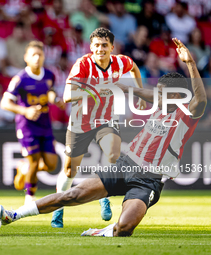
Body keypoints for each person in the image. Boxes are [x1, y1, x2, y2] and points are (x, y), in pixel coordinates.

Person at [0, 38, 207, 237]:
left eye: (163, 95)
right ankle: (15, 215)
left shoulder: (186, 113)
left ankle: (104, 231)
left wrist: (190, 64)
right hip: (126, 165)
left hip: (148, 181)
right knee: (72, 195)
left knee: (124, 228)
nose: (158, 98)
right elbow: (149, 95)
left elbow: (201, 100)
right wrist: (126, 88)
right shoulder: (160, 101)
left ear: (177, 96)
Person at [51, 27, 146, 228]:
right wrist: (94, 91)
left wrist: (140, 91)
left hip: (106, 119)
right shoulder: (83, 64)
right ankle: (58, 207)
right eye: (96, 45)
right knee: (69, 170)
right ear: (91, 47)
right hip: (81, 121)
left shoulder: (121, 61)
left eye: (104, 45)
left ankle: (104, 195)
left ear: (112, 47)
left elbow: (134, 67)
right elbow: (67, 95)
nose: (100, 49)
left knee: (113, 153)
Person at [0, 41, 64, 204]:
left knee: (51, 164)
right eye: (33, 55)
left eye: (40, 55)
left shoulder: (50, 75)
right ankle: (30, 197)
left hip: (45, 124)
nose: (37, 58)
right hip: (26, 126)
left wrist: (56, 100)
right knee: (34, 161)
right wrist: (26, 111)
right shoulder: (20, 79)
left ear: (44, 57)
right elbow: (5, 103)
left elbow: (50, 91)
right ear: (26, 58)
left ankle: (23, 168)